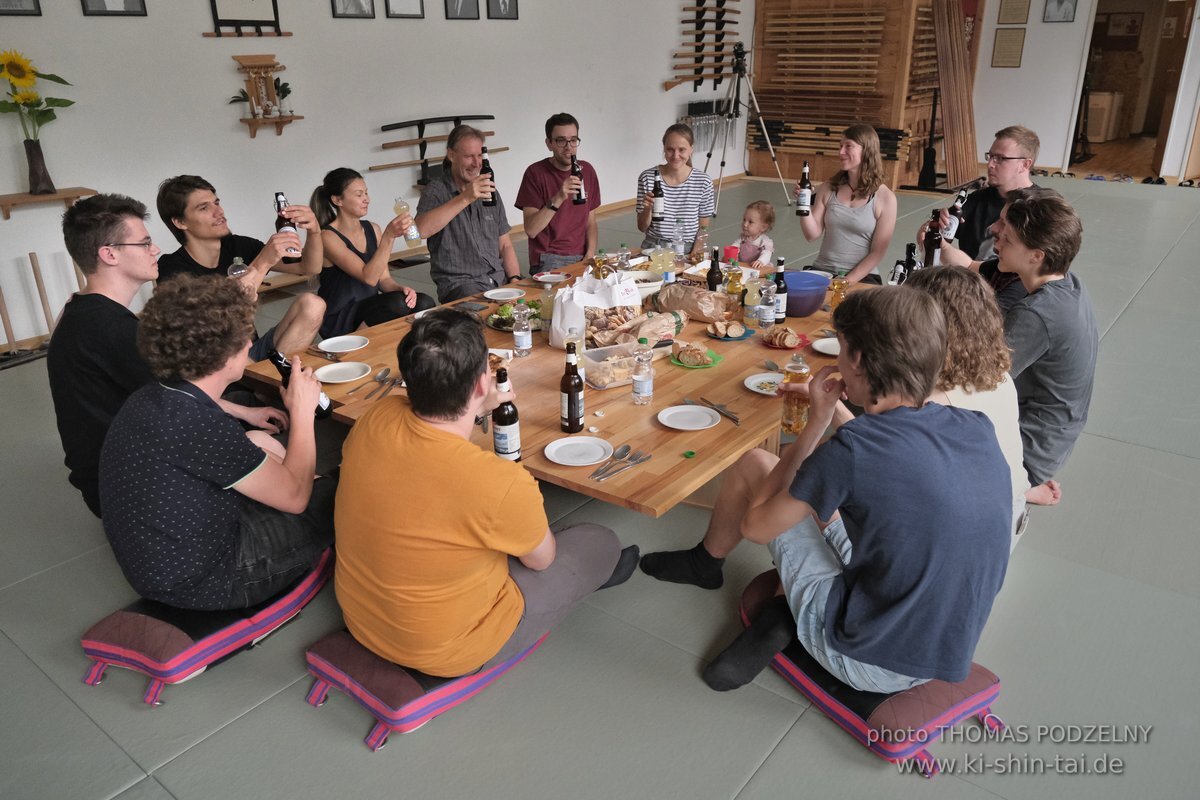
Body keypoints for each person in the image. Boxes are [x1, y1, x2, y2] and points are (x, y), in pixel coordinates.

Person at [640, 287, 1011, 693]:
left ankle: (725, 577)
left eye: (842, 349)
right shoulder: (975, 427)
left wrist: (815, 424)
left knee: (756, 465)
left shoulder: (853, 450)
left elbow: (758, 527)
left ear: (858, 360)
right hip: (938, 652)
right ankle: (777, 607)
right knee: (826, 501)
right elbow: (881, 453)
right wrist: (834, 409)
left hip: (868, 662)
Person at [334, 308, 639, 677]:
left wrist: (480, 408)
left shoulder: (377, 415)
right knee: (599, 541)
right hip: (449, 649)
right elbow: (541, 561)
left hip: (362, 619)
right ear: (482, 384)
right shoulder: (499, 481)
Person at [99, 274, 335, 610]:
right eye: (246, 340)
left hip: (156, 567)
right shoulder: (201, 425)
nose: (250, 345)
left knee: (257, 440)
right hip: (209, 581)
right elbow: (297, 500)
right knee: (340, 491)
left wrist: (247, 414)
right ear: (226, 359)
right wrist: (303, 412)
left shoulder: (150, 397)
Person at [47, 194, 286, 519]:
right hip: (127, 490)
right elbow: (183, 398)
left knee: (245, 406)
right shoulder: (111, 329)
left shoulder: (79, 308)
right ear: (109, 254)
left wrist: (244, 411)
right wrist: (248, 420)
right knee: (265, 446)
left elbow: (169, 390)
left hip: (113, 469)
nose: (155, 249)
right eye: (144, 243)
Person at [905, 267, 1029, 547]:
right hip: (1010, 521)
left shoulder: (932, 405)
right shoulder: (999, 376)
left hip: (964, 544)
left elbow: (876, 460)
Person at [991, 187, 1097, 506]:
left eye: (1007, 238)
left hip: (1030, 448)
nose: (996, 236)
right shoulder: (1069, 283)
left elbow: (974, 384)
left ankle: (1017, 485)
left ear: (1036, 255)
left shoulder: (1037, 314)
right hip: (1055, 437)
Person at [155, 175, 325, 360]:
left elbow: (310, 268)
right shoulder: (171, 269)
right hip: (216, 362)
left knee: (313, 304)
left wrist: (314, 231)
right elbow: (218, 323)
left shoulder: (240, 245)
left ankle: (276, 378)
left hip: (250, 350)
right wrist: (263, 262)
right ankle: (269, 382)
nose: (218, 212)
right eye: (204, 208)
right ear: (180, 222)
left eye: (217, 203)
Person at [922, 125, 1040, 312]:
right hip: (966, 293)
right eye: (990, 156)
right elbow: (939, 250)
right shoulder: (974, 201)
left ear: (1025, 164)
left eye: (1000, 158)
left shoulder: (1042, 208)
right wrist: (933, 232)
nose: (990, 164)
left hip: (1014, 303)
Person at [309, 168, 435, 338]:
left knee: (423, 302)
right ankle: (351, 346)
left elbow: (383, 279)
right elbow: (368, 277)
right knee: (396, 304)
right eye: (359, 194)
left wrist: (400, 288)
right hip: (340, 316)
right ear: (337, 200)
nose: (366, 199)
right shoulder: (327, 236)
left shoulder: (372, 228)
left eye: (366, 193)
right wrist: (389, 236)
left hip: (368, 308)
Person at [414, 125, 522, 303]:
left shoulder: (489, 189)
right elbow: (420, 230)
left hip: (498, 279)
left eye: (479, 155)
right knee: (484, 319)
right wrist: (466, 197)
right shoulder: (436, 190)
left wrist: (515, 279)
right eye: (468, 156)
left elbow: (505, 245)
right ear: (451, 155)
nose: (476, 163)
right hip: (460, 284)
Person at [796, 124, 897, 284]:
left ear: (867, 151)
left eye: (848, 146)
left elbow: (877, 253)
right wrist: (803, 204)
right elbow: (812, 234)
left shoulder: (885, 198)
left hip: (862, 277)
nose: (841, 152)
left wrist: (845, 282)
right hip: (823, 271)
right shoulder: (829, 187)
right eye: (840, 146)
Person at [514, 112, 601, 272]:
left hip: (583, 255)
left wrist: (590, 254)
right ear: (549, 144)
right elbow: (531, 230)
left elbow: (591, 222)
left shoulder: (587, 170)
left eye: (573, 140)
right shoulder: (535, 173)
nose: (569, 147)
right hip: (549, 257)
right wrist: (559, 197)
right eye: (561, 141)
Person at [635, 123, 715, 254]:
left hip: (687, 249)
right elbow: (642, 227)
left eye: (682, 150)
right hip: (653, 247)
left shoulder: (703, 182)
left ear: (691, 149)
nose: (675, 155)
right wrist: (647, 209)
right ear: (664, 149)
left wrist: (695, 253)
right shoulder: (647, 178)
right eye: (670, 149)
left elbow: (703, 227)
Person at [730, 200, 776, 270]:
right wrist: (731, 253)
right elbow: (735, 246)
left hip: (758, 268)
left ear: (763, 227)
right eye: (744, 220)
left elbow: (767, 253)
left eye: (750, 222)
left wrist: (761, 261)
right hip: (744, 266)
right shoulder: (743, 238)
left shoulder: (765, 242)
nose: (745, 224)